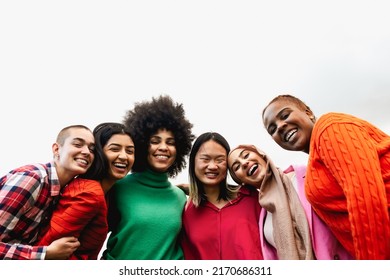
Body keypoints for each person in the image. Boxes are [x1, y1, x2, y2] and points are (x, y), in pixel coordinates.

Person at [262, 94, 390, 260]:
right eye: (272, 129)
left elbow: (365, 198)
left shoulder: (329, 127)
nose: (279, 127)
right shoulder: (316, 158)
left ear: (307, 112)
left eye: (285, 115)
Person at [102, 95, 195, 260]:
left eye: (171, 142)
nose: (163, 148)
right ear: (142, 144)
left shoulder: (180, 197)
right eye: (155, 141)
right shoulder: (118, 188)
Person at [228, 144, 353, 260]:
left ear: (261, 155)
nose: (244, 163)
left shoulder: (307, 177)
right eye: (237, 167)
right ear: (241, 181)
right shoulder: (264, 217)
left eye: (246, 155)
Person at [37, 122, 135, 259]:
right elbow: (50, 249)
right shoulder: (88, 192)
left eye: (130, 151)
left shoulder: (110, 192)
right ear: (99, 153)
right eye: (114, 149)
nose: (124, 156)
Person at [0, 124, 95, 260]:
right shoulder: (32, 179)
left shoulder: (65, 191)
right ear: (56, 149)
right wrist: (45, 253)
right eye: (78, 144)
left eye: (92, 149)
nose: (87, 152)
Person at [181, 132, 263, 260]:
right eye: (205, 159)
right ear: (193, 162)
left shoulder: (252, 199)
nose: (213, 166)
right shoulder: (186, 211)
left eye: (220, 160)